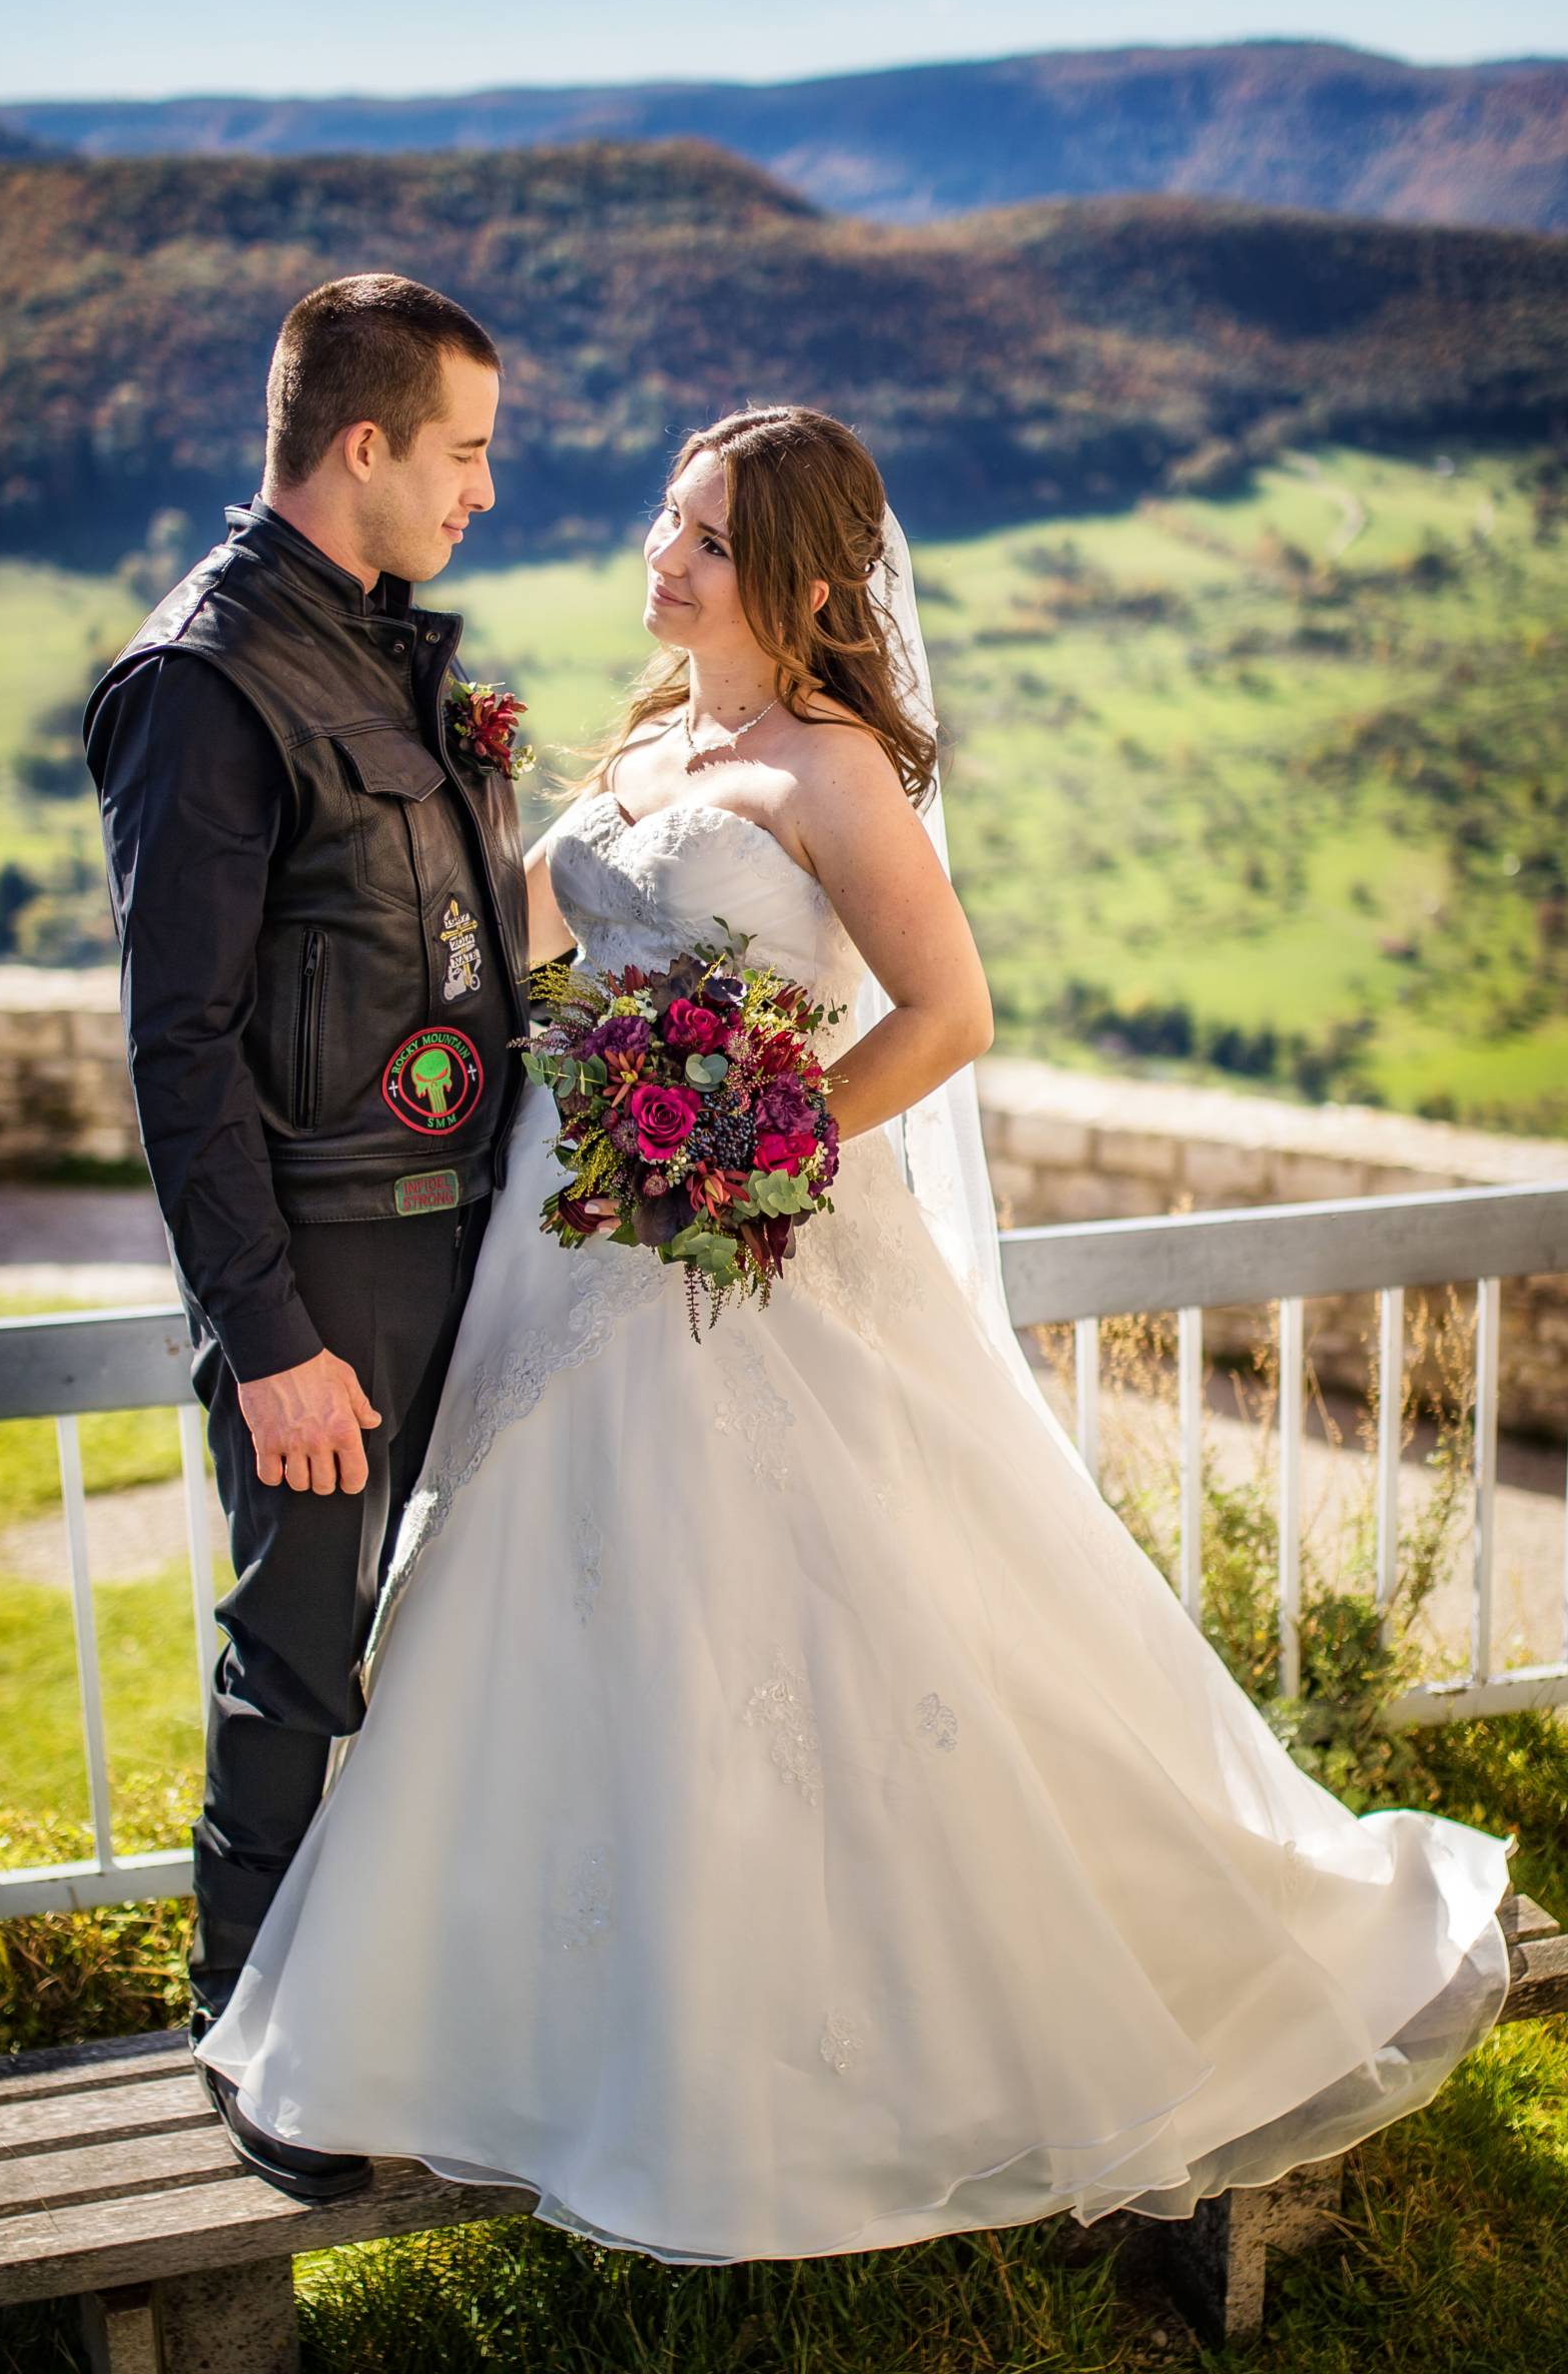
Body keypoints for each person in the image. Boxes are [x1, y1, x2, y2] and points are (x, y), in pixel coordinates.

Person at [192, 405, 1517, 2261]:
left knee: (815, 1643)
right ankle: (567, 2034)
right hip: (572, 1267)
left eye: (708, 539)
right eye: (667, 516)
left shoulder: (833, 770)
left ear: (804, 582)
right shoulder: (657, 741)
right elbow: (514, 943)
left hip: (755, 1262)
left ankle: (848, 2054)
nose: (664, 555)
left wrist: (757, 1145)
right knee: (572, 1629)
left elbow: (948, 1010)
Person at [84, 273, 534, 2202]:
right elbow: (175, 1050)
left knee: (478, 1634)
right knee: (299, 1656)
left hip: (472, 1247)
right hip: (331, 1274)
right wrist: (268, 1336)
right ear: (363, 447)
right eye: (465, 453)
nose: (485, 495)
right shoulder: (207, 683)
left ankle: (420, 1998)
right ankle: (248, 2038)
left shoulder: (373, 647)